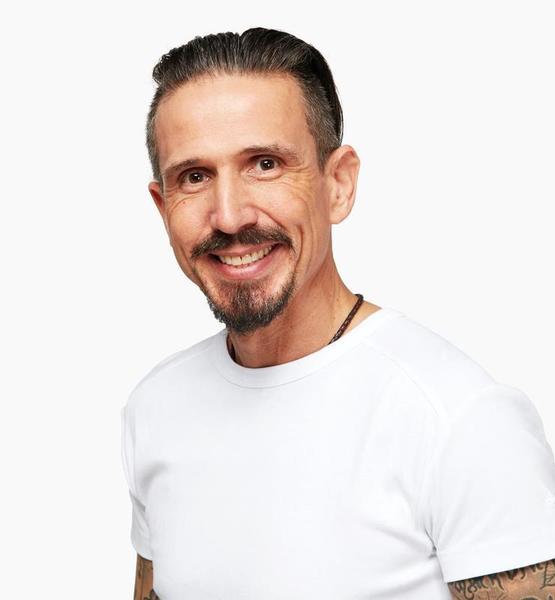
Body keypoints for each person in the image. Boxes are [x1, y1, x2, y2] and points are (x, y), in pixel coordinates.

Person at [121, 27, 555, 600]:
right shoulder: (155, 406)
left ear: (338, 185)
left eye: (265, 164)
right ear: (163, 206)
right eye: (195, 177)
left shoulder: (460, 419)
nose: (228, 215)